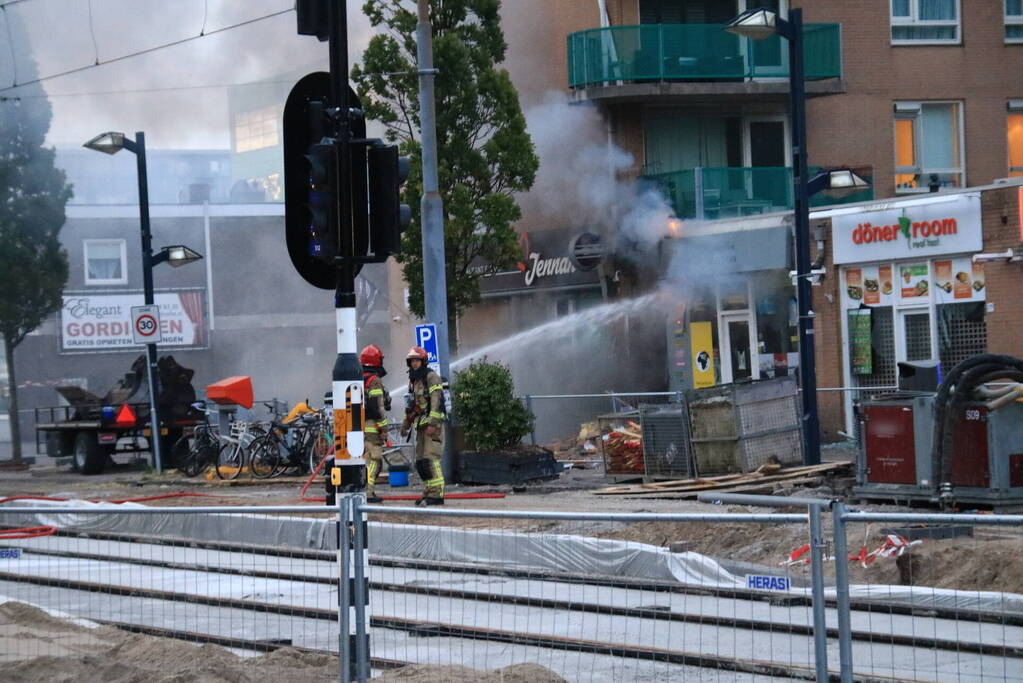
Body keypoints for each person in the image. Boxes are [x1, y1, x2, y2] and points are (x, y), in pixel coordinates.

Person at [401, 346, 445, 506]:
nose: (414, 363)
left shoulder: (431, 376)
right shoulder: (414, 381)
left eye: (417, 360)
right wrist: (405, 424)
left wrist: (433, 423)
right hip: (421, 425)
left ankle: (437, 494)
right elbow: (412, 406)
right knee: (421, 462)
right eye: (412, 361)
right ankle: (428, 492)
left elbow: (436, 401)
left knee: (430, 459)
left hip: (432, 426)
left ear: (423, 361)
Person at [360, 344, 390, 504]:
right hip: (372, 426)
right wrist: (384, 428)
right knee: (374, 460)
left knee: (365, 460)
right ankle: (368, 492)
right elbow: (378, 407)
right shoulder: (374, 381)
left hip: (359, 426)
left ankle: (364, 490)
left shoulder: (358, 379)